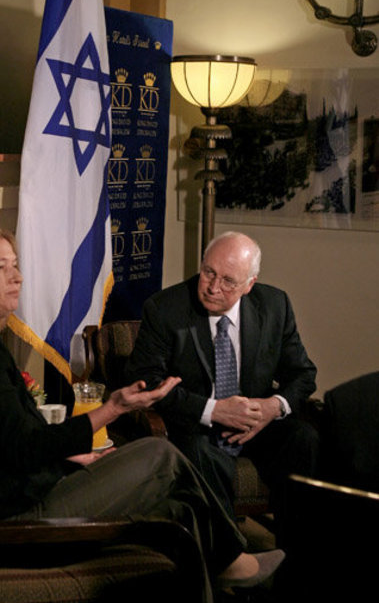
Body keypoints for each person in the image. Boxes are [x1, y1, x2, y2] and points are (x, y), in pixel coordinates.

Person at [0, 224, 284, 603]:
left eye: (17, 265)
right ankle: (233, 561)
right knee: (162, 456)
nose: (18, 277)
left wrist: (85, 444)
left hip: (21, 496)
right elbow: (24, 449)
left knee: (179, 511)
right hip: (13, 526)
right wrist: (112, 410)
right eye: (1, 267)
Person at [125, 231, 318, 545]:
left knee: (303, 438)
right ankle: (229, 559)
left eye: (229, 281)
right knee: (201, 452)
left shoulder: (274, 305)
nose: (213, 287)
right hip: (200, 425)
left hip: (256, 421)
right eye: (208, 273)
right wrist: (214, 410)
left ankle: (295, 557)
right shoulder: (164, 309)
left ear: (249, 285)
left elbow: (303, 375)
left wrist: (273, 407)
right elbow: (147, 382)